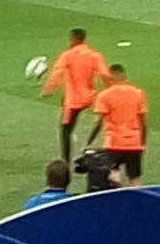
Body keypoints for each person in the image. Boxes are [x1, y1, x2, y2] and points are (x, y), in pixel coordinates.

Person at [39, 28, 108, 162]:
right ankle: (89, 146)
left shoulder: (67, 56)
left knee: (66, 130)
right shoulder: (94, 55)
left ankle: (66, 160)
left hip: (73, 100)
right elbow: (104, 74)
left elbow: (57, 73)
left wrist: (47, 90)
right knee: (101, 120)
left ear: (73, 39)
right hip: (89, 96)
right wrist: (111, 89)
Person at [85, 63, 147, 186]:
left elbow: (98, 122)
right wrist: (143, 143)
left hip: (113, 144)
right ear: (123, 75)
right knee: (135, 178)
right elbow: (143, 122)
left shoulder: (104, 96)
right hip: (133, 143)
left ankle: (117, 196)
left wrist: (88, 141)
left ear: (111, 76)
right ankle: (138, 197)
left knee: (113, 177)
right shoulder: (137, 93)